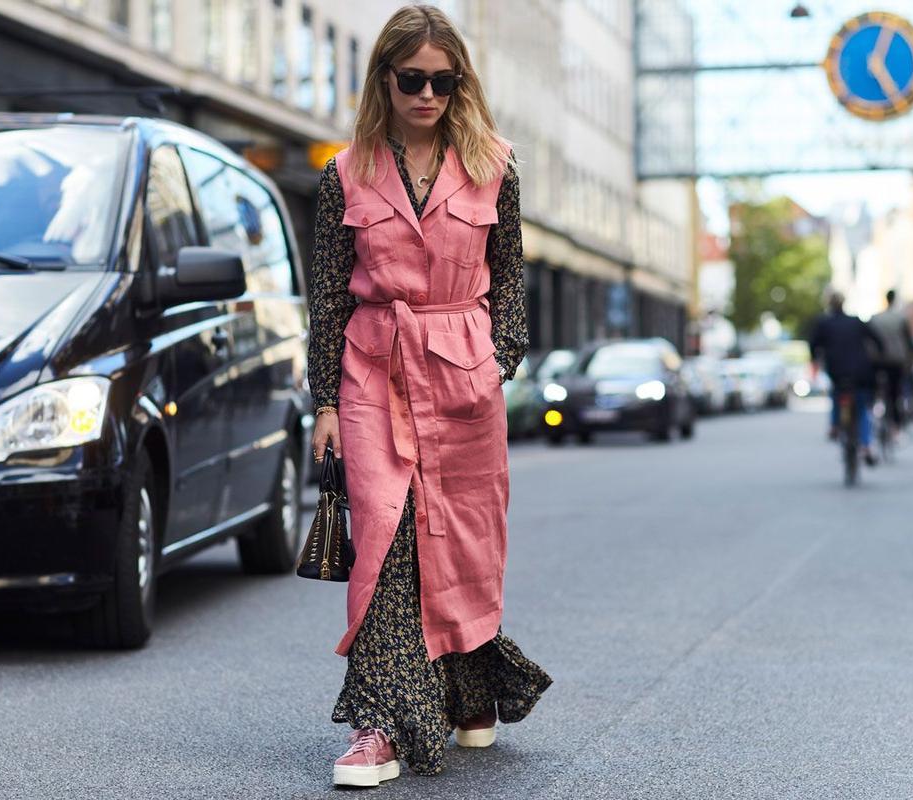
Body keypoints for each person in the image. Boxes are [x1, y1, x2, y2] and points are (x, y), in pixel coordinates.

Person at [306, 5, 551, 788]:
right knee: (387, 535)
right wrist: (324, 405)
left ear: (460, 85)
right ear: (385, 78)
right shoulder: (343, 174)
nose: (428, 94)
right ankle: (380, 724)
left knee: (463, 542)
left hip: (463, 375)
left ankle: (468, 687)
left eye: (443, 82)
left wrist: (499, 355)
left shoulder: (494, 166)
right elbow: (327, 301)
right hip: (373, 371)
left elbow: (510, 272)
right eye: (412, 79)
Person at [808, 291, 885, 465]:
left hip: (837, 372)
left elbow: (813, 345)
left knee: (837, 395)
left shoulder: (824, 324)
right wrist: (879, 356)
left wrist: (815, 358)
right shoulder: (856, 322)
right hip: (861, 371)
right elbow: (876, 340)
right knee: (862, 407)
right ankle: (865, 445)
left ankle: (835, 425)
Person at [868, 289, 913, 434]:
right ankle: (896, 425)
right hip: (897, 361)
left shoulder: (875, 318)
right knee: (895, 393)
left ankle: (874, 417)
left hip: (878, 361)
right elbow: (908, 342)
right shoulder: (900, 319)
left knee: (876, 390)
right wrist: (911, 358)